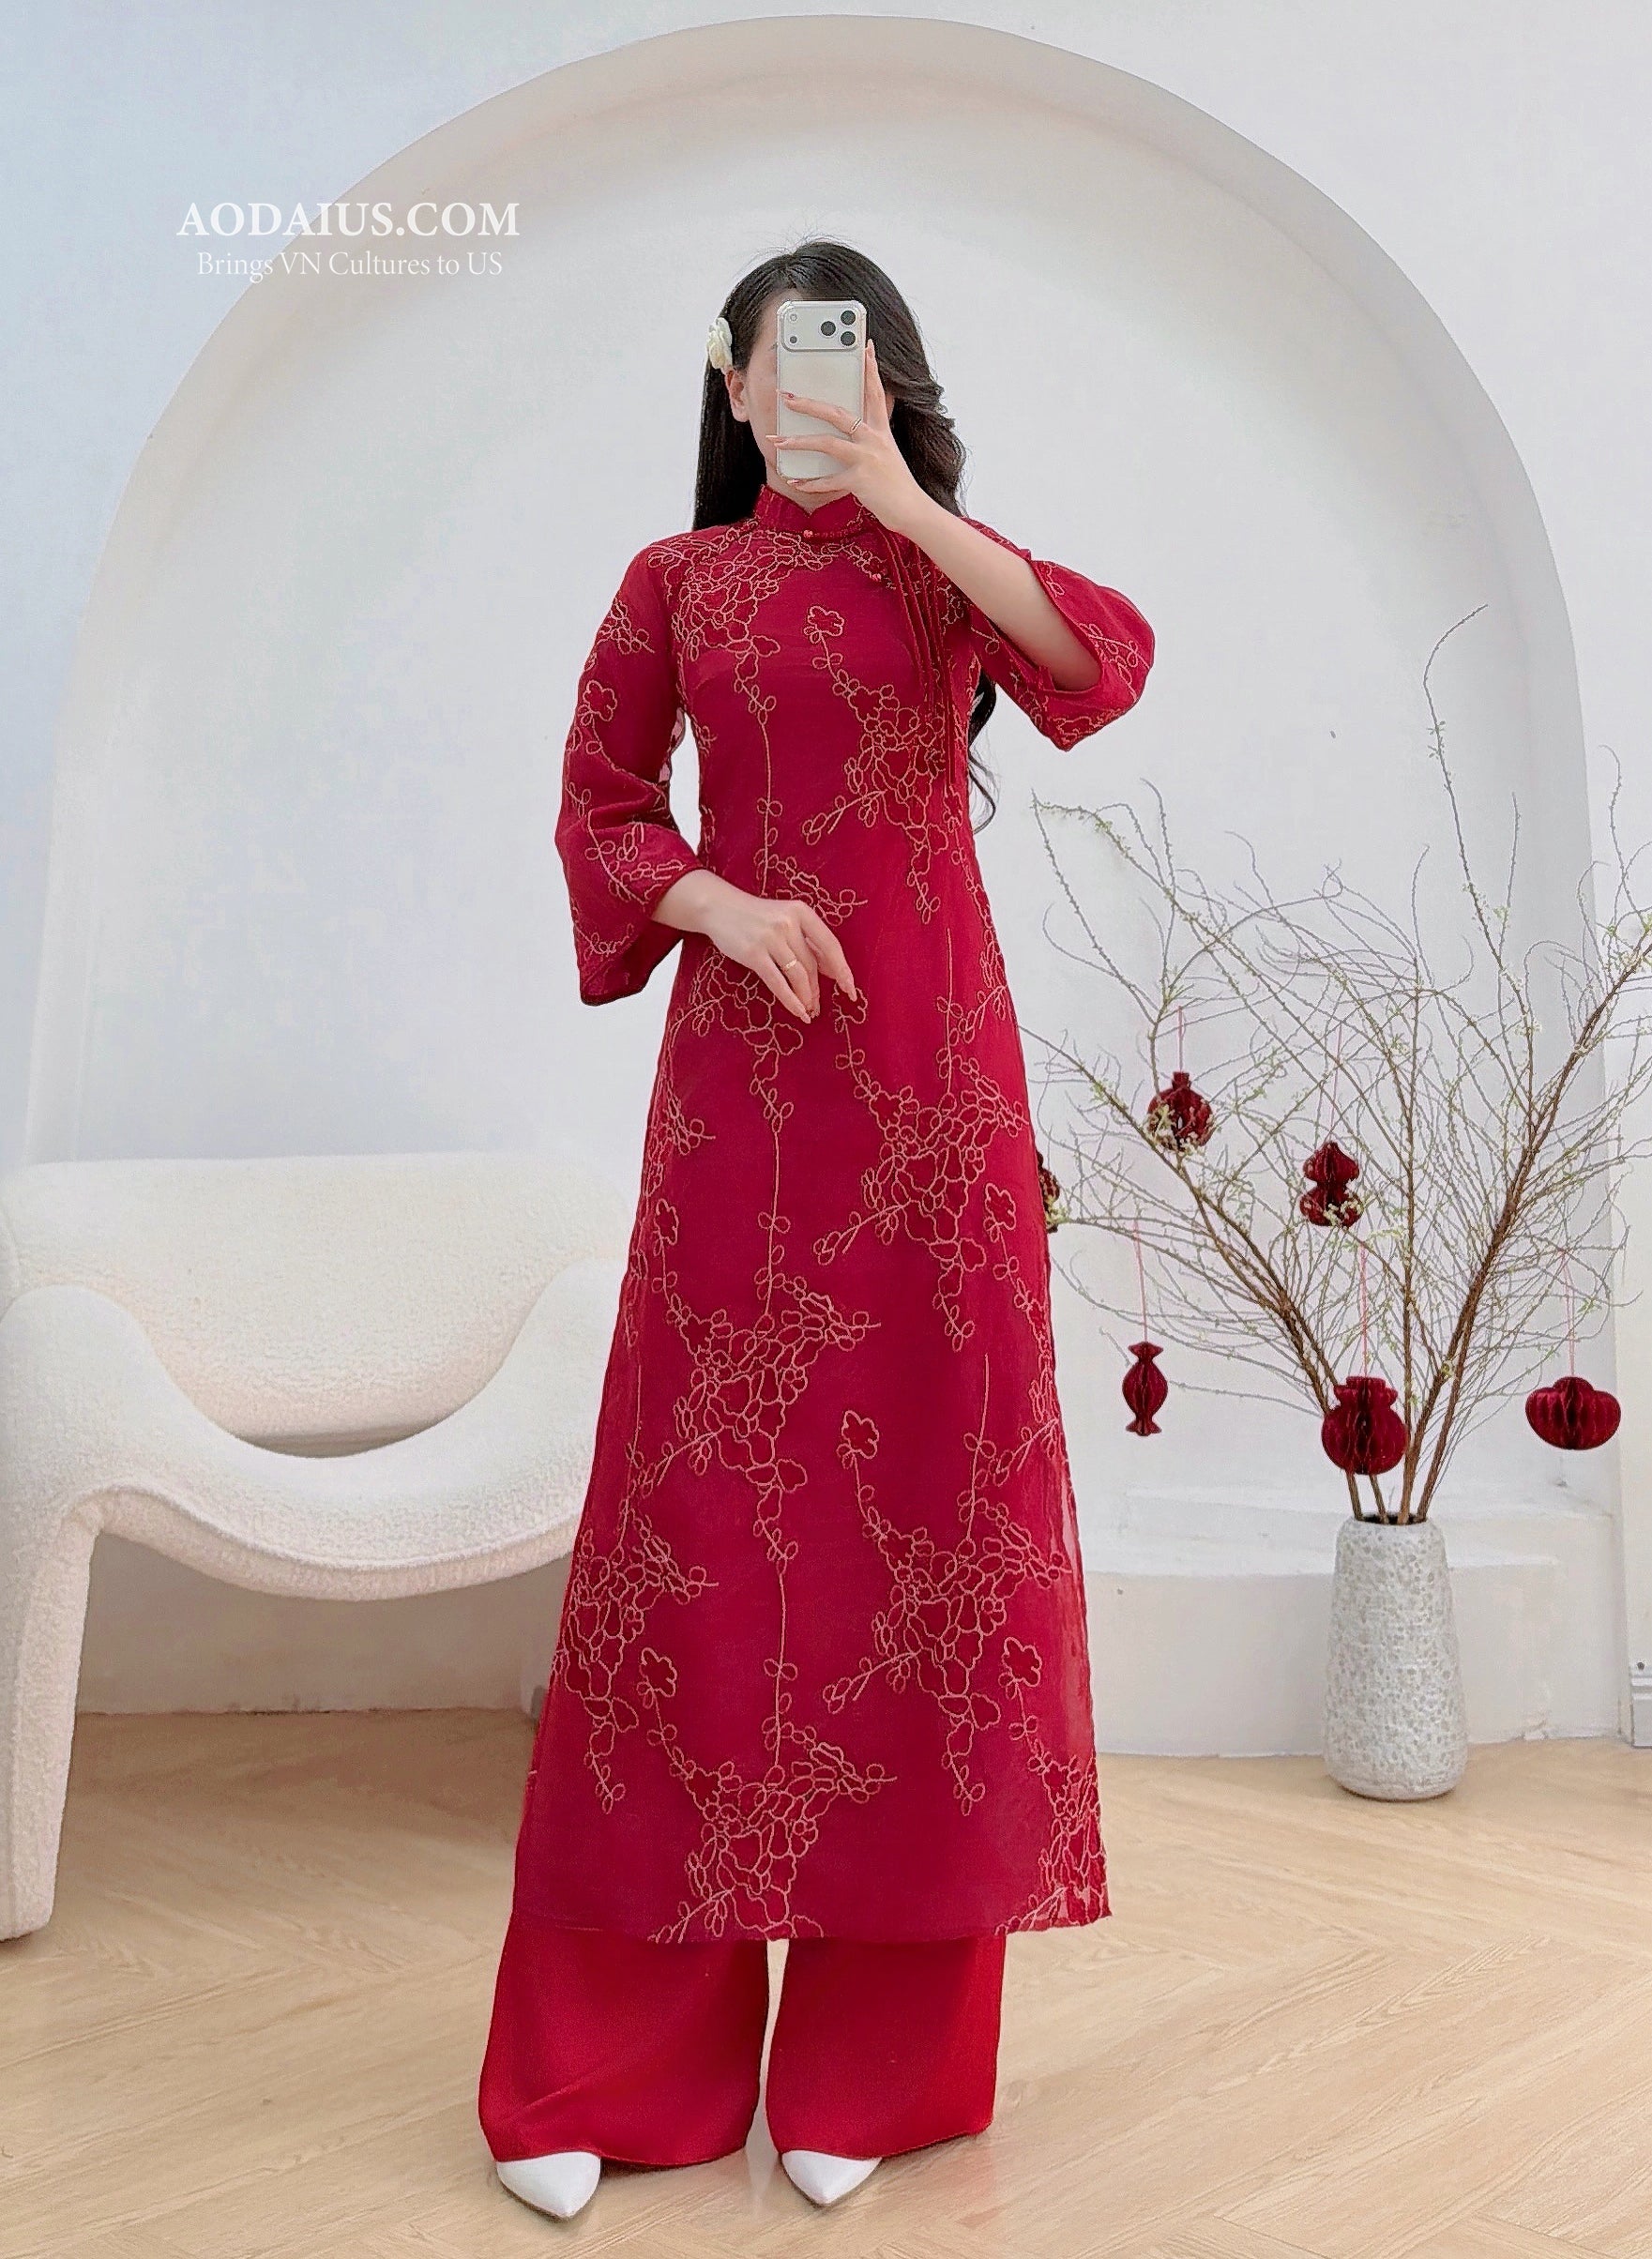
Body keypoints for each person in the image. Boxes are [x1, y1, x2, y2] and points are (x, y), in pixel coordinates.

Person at [477, 239, 1155, 2221]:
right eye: (777, 370)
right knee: (683, 1554)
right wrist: (717, 903)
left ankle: (877, 2064)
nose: (805, 399)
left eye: (841, 371)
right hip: (738, 1106)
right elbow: (601, 804)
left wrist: (904, 502)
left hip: (933, 1100)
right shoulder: (675, 583)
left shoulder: (941, 572)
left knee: (931, 1545)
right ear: (727, 383)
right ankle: (608, 2066)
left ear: (884, 384)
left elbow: (1102, 662)